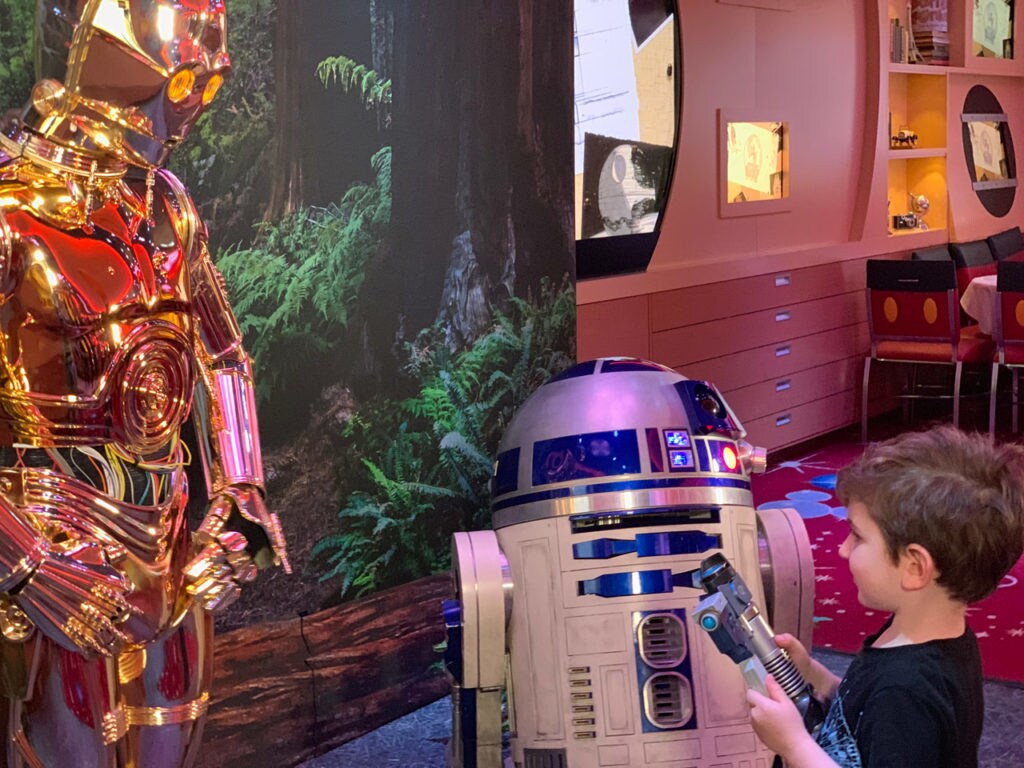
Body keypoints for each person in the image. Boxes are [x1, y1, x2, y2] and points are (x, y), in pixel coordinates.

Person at [0, 1, 288, 766]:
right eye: (186, 77)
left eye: (205, 82)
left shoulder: (165, 207)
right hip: (59, 553)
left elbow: (223, 355)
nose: (190, 106)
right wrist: (26, 564)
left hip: (172, 548)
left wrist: (245, 489)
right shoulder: (11, 210)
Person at [747, 425, 1024, 768]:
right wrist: (815, 674)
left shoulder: (904, 694)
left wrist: (794, 745)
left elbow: (887, 714)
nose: (843, 549)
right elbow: (864, 716)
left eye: (858, 536)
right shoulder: (927, 639)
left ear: (914, 567)